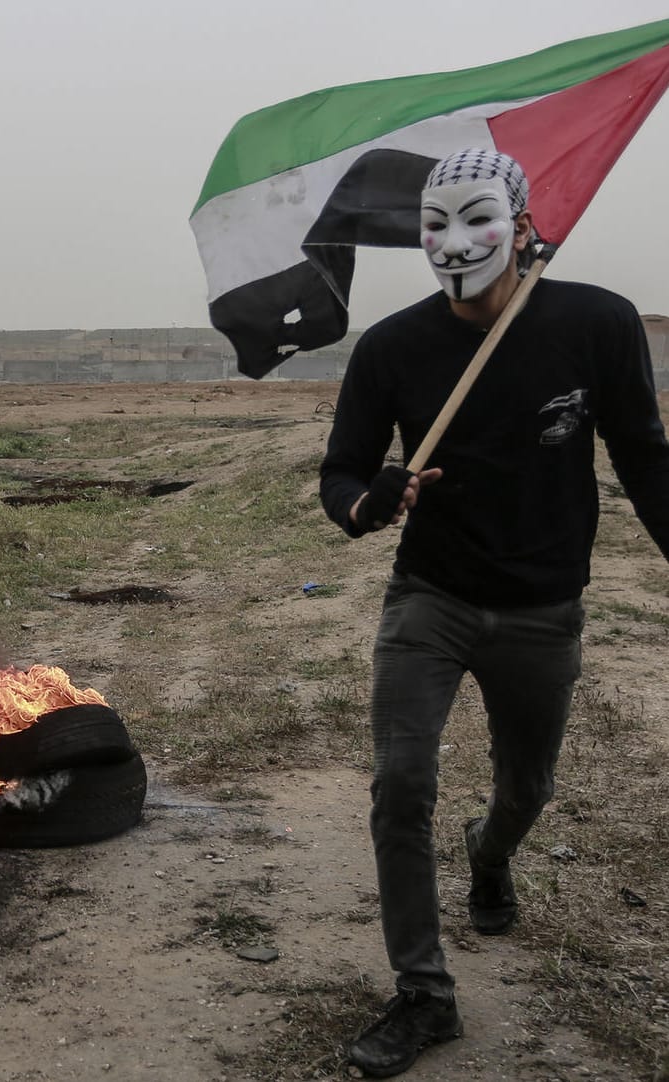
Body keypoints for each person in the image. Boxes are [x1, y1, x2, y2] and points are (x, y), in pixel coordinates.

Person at [320, 148, 669, 1078]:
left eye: (475, 219)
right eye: (432, 224)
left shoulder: (596, 324)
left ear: (520, 227)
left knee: (527, 791)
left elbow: (644, 454)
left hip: (543, 609)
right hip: (428, 598)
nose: (450, 242)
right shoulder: (391, 347)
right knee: (399, 787)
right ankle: (423, 995)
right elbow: (341, 473)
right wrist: (370, 501)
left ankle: (491, 851)